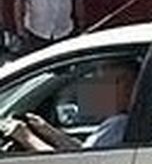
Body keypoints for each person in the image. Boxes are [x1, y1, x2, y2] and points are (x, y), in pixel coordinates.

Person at [3, 60, 138, 152]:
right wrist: (48, 131)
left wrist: (25, 137)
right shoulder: (121, 123)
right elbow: (82, 153)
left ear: (125, 84)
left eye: (103, 81)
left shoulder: (120, 125)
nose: (96, 89)